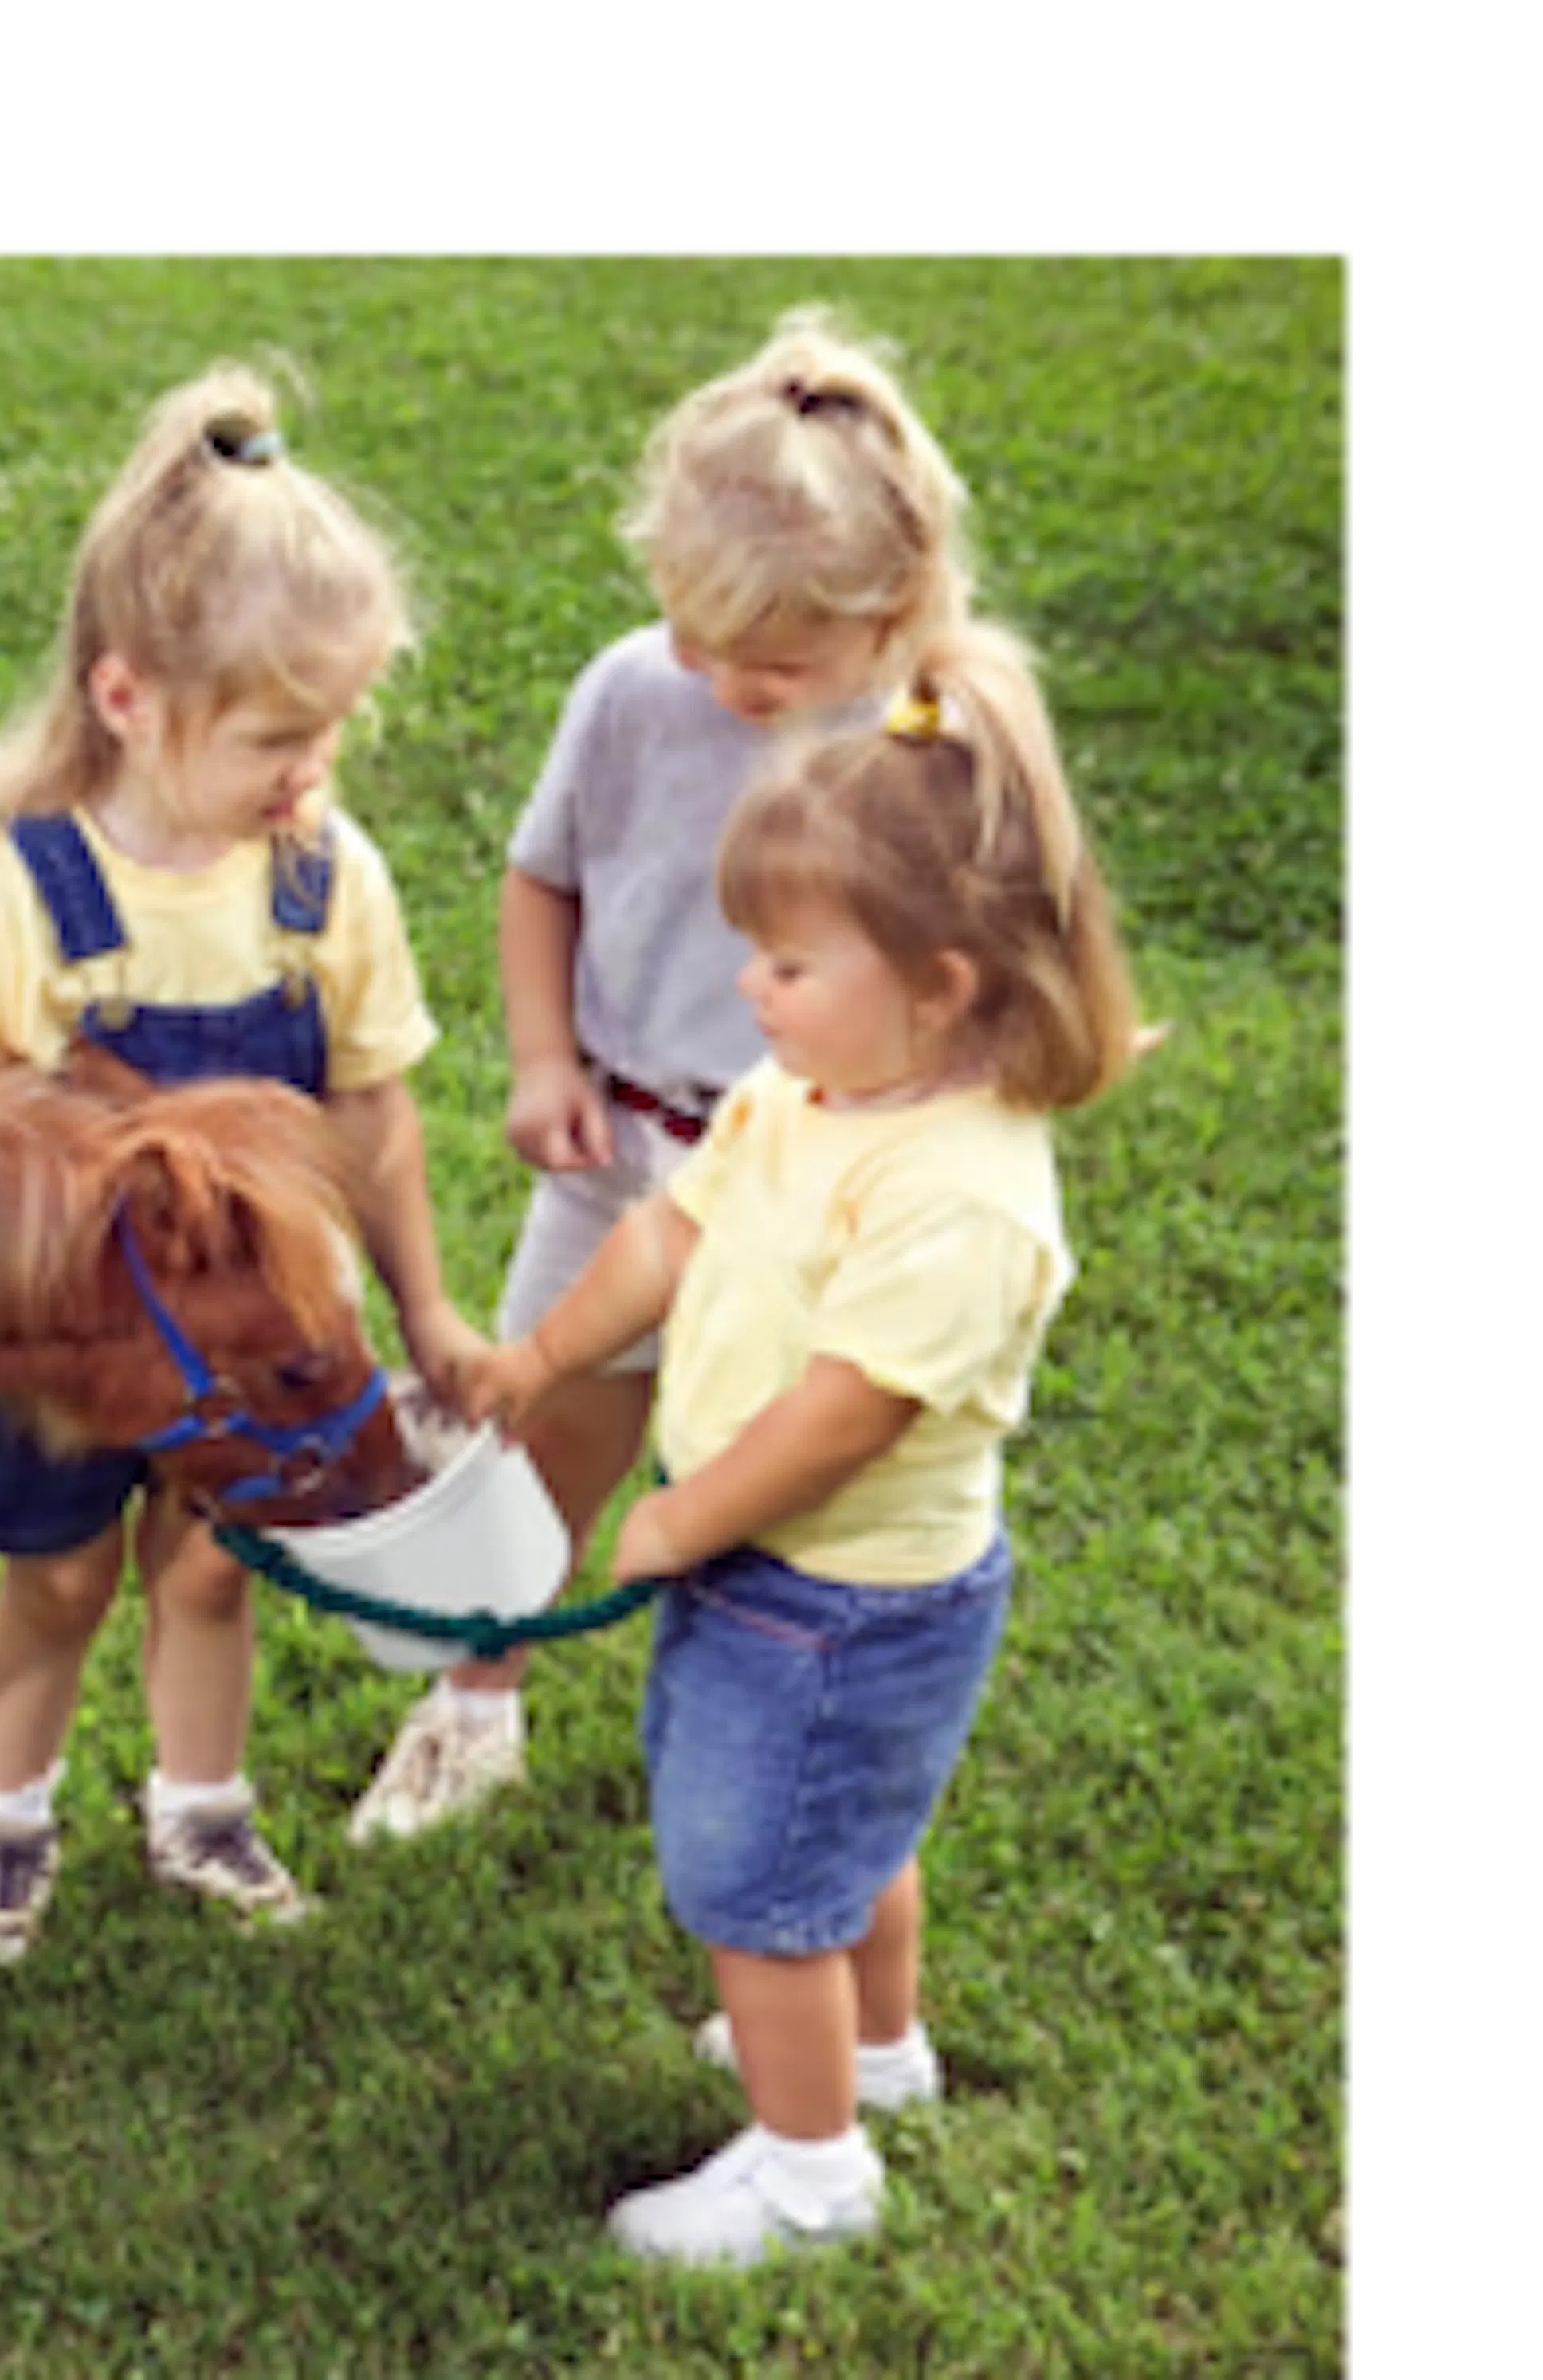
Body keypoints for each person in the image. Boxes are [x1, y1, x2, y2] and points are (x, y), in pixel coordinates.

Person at [459, 624, 1139, 2265]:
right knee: (846, 1837)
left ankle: (811, 2174)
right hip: (779, 1570)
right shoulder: (801, 1094)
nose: (746, 990)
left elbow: (848, 1415)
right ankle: (877, 2052)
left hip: (838, 1594)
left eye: (785, 964)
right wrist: (541, 1357)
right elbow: (665, 1237)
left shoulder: (960, 1193)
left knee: (756, 1881)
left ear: (941, 986)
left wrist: (684, 1520)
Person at [350, 307, 980, 1845]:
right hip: (625, 1149)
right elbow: (543, 877)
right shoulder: (635, 691)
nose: (723, 679)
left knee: (777, 1474)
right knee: (540, 1440)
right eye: (696, 636)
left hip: (815, 1188)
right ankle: (473, 1706)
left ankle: (762, 1724)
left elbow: (983, 980)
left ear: (893, 608)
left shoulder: (936, 749)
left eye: (772, 661)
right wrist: (544, 1058)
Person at [0, 363, 484, 1960]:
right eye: (277, 736)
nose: (312, 771)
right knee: (62, 1580)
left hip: (268, 1338)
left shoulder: (325, 879)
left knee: (217, 1570)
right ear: (126, 696)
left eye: (334, 729)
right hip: (74, 1342)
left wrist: (424, 1312)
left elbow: (375, 1112)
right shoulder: (13, 887)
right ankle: (5, 1824)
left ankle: (201, 1815)